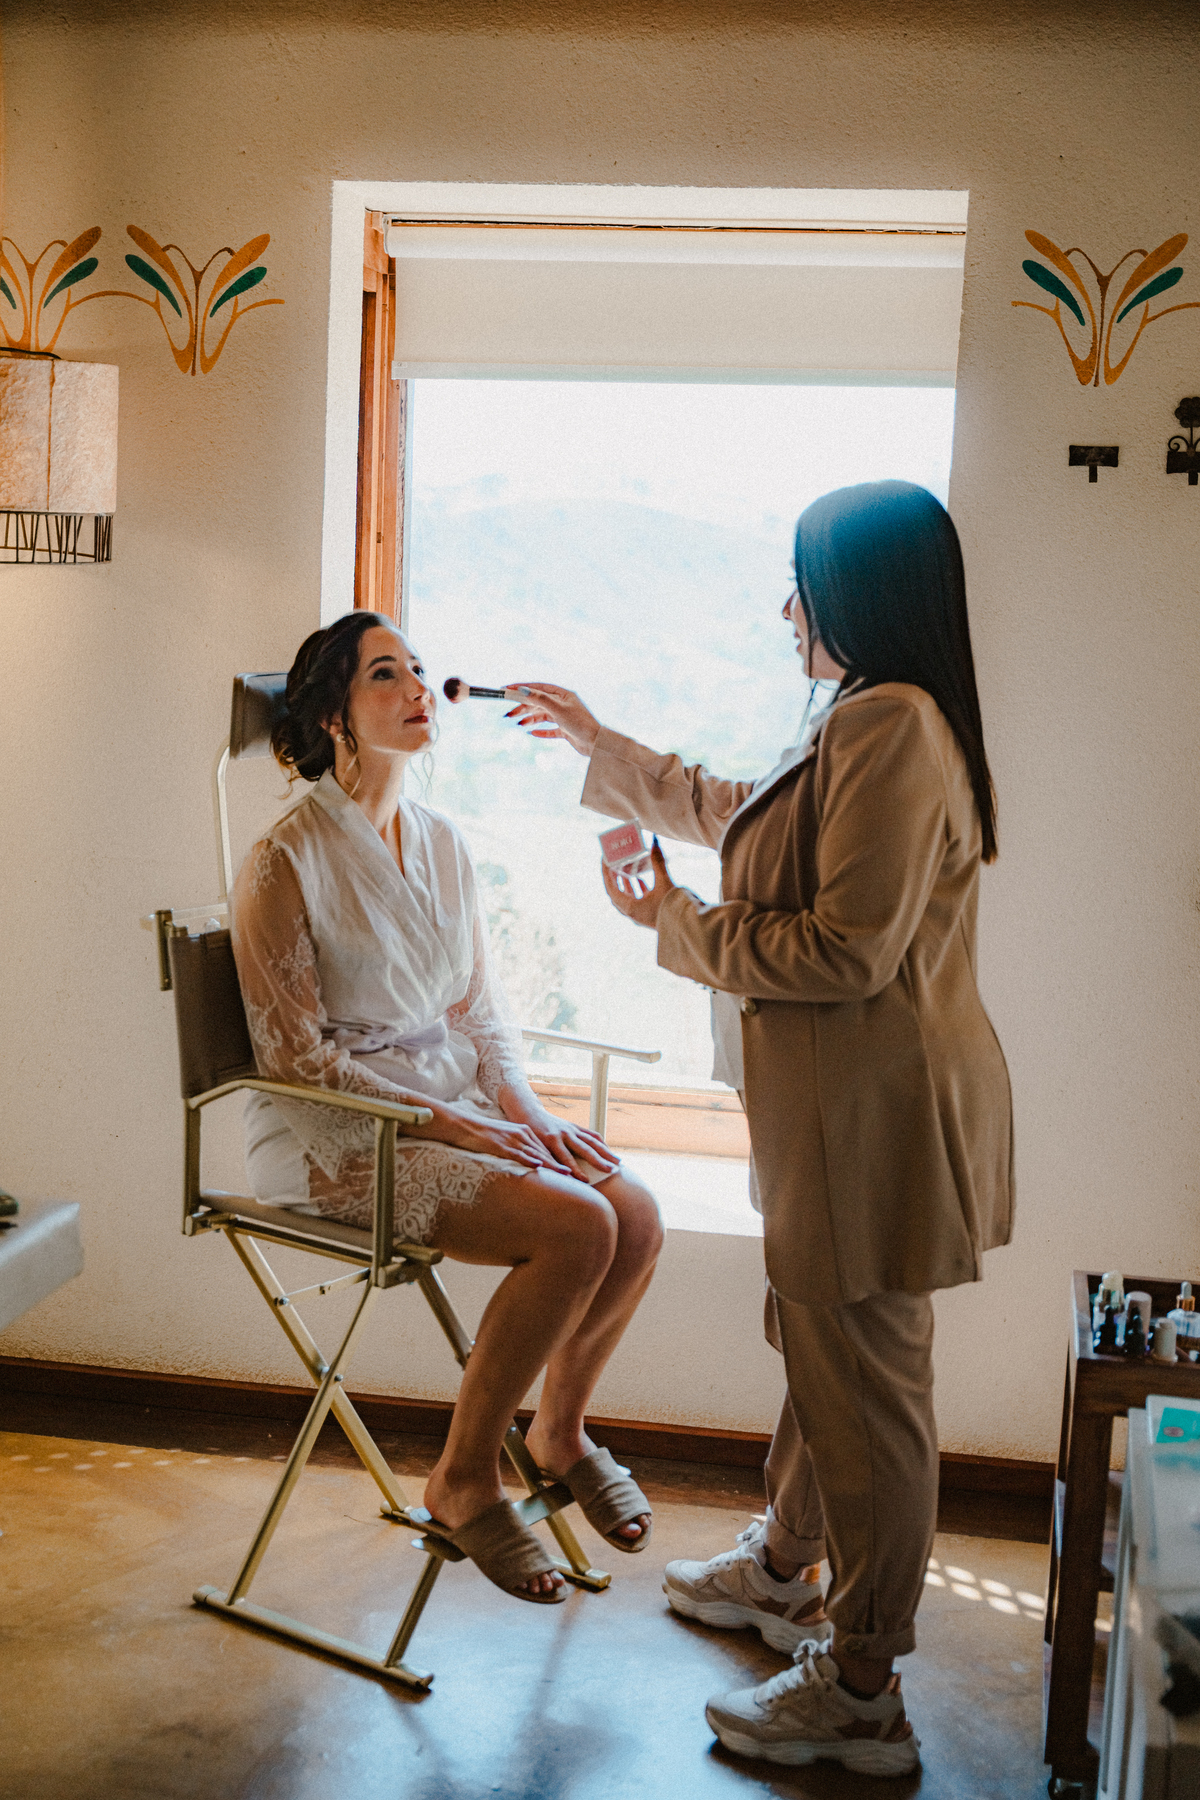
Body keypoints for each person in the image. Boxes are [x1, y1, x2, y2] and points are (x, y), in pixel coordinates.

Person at [508, 481, 1014, 1774]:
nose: (787, 608)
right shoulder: (866, 712)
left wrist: (672, 924)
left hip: (871, 1124)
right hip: (843, 1115)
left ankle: (862, 1690)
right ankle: (786, 1569)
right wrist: (602, 745)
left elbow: (846, 952)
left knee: (871, 1400)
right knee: (823, 1353)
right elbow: (746, 809)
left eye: (804, 583)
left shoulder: (891, 721)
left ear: (858, 592)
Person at [229, 610, 663, 1604]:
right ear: (334, 715)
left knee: (634, 1212)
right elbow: (296, 1058)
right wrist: (462, 1125)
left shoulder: (443, 842)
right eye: (386, 674)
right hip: (336, 1134)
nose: (419, 689)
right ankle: (464, 1478)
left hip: (452, 1102)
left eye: (420, 669)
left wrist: (526, 1111)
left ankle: (558, 1432)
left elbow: (479, 1010)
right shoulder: (284, 858)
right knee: (577, 1227)